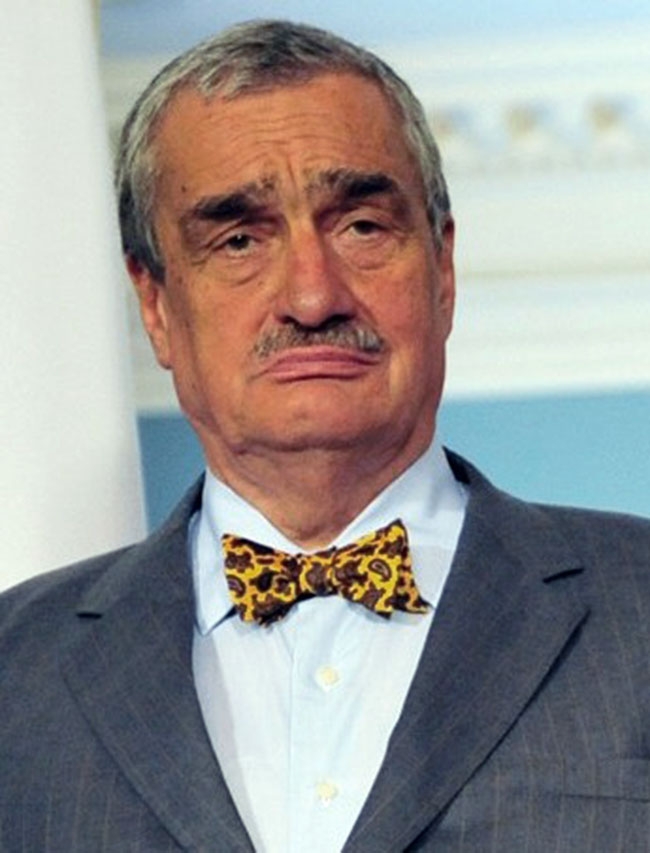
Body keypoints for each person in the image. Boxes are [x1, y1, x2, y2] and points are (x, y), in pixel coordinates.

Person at [2, 19, 650, 853]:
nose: (312, 298)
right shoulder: (14, 673)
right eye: (239, 239)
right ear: (156, 306)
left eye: (362, 227)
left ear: (443, 270)